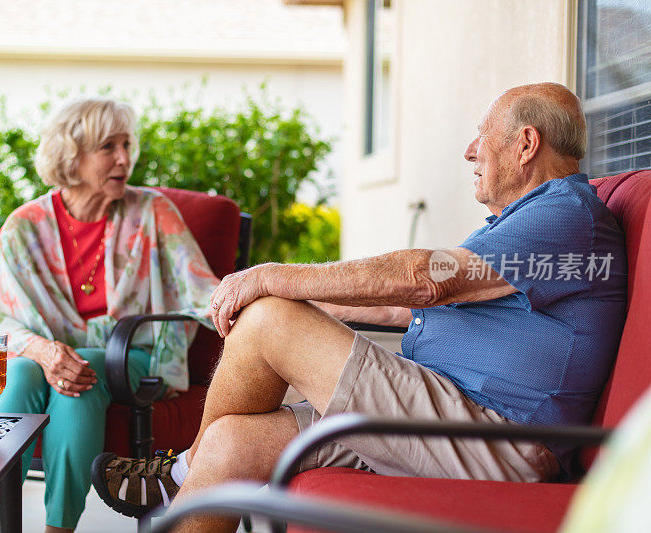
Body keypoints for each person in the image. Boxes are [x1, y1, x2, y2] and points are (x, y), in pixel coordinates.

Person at [91, 82, 628, 532]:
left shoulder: (566, 216)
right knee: (231, 444)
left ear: (526, 143)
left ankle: (174, 475)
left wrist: (272, 279)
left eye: (482, 135)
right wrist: (293, 291)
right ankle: (187, 469)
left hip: (493, 440)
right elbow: (409, 309)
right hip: (442, 417)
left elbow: (427, 280)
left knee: (269, 320)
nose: (470, 150)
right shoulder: (531, 225)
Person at [0, 97, 219, 533]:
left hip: (132, 358)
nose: (124, 159)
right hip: (43, 361)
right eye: (107, 147)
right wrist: (44, 351)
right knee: (22, 374)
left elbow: (203, 289)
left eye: (126, 145)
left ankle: (56, 529)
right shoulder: (24, 228)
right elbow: (3, 321)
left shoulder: (154, 212)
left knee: (79, 376)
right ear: (71, 156)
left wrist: (274, 299)